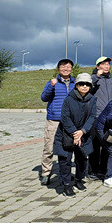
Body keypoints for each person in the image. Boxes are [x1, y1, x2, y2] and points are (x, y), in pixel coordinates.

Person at [53, 73, 96, 198]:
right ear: (76, 85)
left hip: (83, 133)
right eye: (81, 84)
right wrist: (74, 132)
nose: (84, 86)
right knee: (65, 160)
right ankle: (66, 184)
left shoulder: (92, 99)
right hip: (66, 133)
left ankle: (78, 180)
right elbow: (65, 117)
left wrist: (82, 131)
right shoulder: (69, 99)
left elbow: (92, 116)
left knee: (82, 158)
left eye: (87, 84)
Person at [40, 58, 75, 186]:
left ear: (71, 69)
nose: (66, 69)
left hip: (69, 122)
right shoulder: (52, 82)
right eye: (63, 66)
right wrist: (51, 86)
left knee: (68, 149)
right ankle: (46, 173)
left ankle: (65, 173)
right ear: (58, 69)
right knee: (49, 149)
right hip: (54, 120)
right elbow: (44, 97)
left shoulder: (75, 83)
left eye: (68, 67)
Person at [89, 56, 112, 180]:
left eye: (108, 64)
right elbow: (88, 87)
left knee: (107, 143)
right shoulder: (93, 78)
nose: (106, 66)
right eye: (103, 64)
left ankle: (103, 170)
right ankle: (92, 171)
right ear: (97, 66)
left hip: (109, 116)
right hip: (96, 115)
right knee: (95, 145)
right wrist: (97, 76)